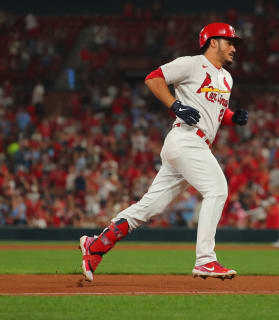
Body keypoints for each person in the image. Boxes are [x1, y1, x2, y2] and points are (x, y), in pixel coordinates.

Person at [78, 23, 248, 281]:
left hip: (194, 145)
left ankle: (97, 245)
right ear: (212, 42)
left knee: (149, 207)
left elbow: (216, 111)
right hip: (186, 140)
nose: (234, 48)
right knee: (217, 189)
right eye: (229, 42)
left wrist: (233, 117)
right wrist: (175, 105)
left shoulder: (226, 77)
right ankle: (206, 260)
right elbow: (153, 78)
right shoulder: (192, 64)